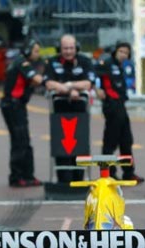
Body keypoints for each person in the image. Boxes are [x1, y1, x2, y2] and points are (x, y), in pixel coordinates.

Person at [44, 34, 95, 183]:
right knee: (61, 147)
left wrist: (69, 86)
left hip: (80, 111)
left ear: (76, 48)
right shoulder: (52, 62)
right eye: (65, 48)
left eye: (71, 48)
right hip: (59, 111)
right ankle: (63, 180)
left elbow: (88, 83)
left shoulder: (85, 61)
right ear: (60, 48)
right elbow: (48, 83)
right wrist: (69, 91)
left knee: (80, 145)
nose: (68, 51)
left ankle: (79, 179)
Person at [95, 41, 144, 183]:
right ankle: (107, 174)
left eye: (126, 53)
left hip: (121, 104)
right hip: (111, 105)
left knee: (126, 140)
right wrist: (98, 89)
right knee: (109, 142)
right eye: (121, 52)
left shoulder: (120, 66)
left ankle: (128, 173)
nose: (123, 55)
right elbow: (93, 74)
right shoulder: (106, 62)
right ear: (116, 51)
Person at [0, 39, 44, 188]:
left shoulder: (23, 63)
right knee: (19, 140)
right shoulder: (22, 63)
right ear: (28, 51)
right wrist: (52, 81)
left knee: (24, 140)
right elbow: (37, 79)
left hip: (17, 105)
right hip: (12, 105)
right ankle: (16, 176)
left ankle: (28, 175)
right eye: (36, 51)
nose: (38, 54)